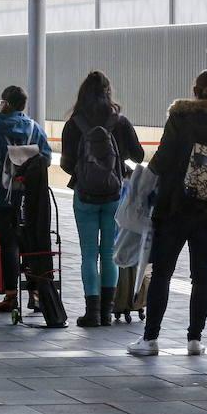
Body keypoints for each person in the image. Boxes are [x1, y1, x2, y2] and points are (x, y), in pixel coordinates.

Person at [129, 69, 207, 357]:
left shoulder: (180, 118)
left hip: (174, 208)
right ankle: (195, 340)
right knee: (202, 275)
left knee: (162, 274)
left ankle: (150, 339)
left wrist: (139, 187)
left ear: (195, 90)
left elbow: (163, 159)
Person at [60, 71, 145, 328]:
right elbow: (139, 156)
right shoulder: (119, 121)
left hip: (84, 196)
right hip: (114, 195)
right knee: (110, 253)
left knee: (88, 253)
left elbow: (65, 163)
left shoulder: (74, 122)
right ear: (108, 91)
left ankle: (92, 313)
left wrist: (83, 172)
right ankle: (107, 313)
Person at [0, 85, 52, 313]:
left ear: (5, 103)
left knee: (8, 243)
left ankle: (10, 295)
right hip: (29, 194)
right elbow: (45, 157)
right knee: (29, 240)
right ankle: (35, 293)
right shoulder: (34, 128)